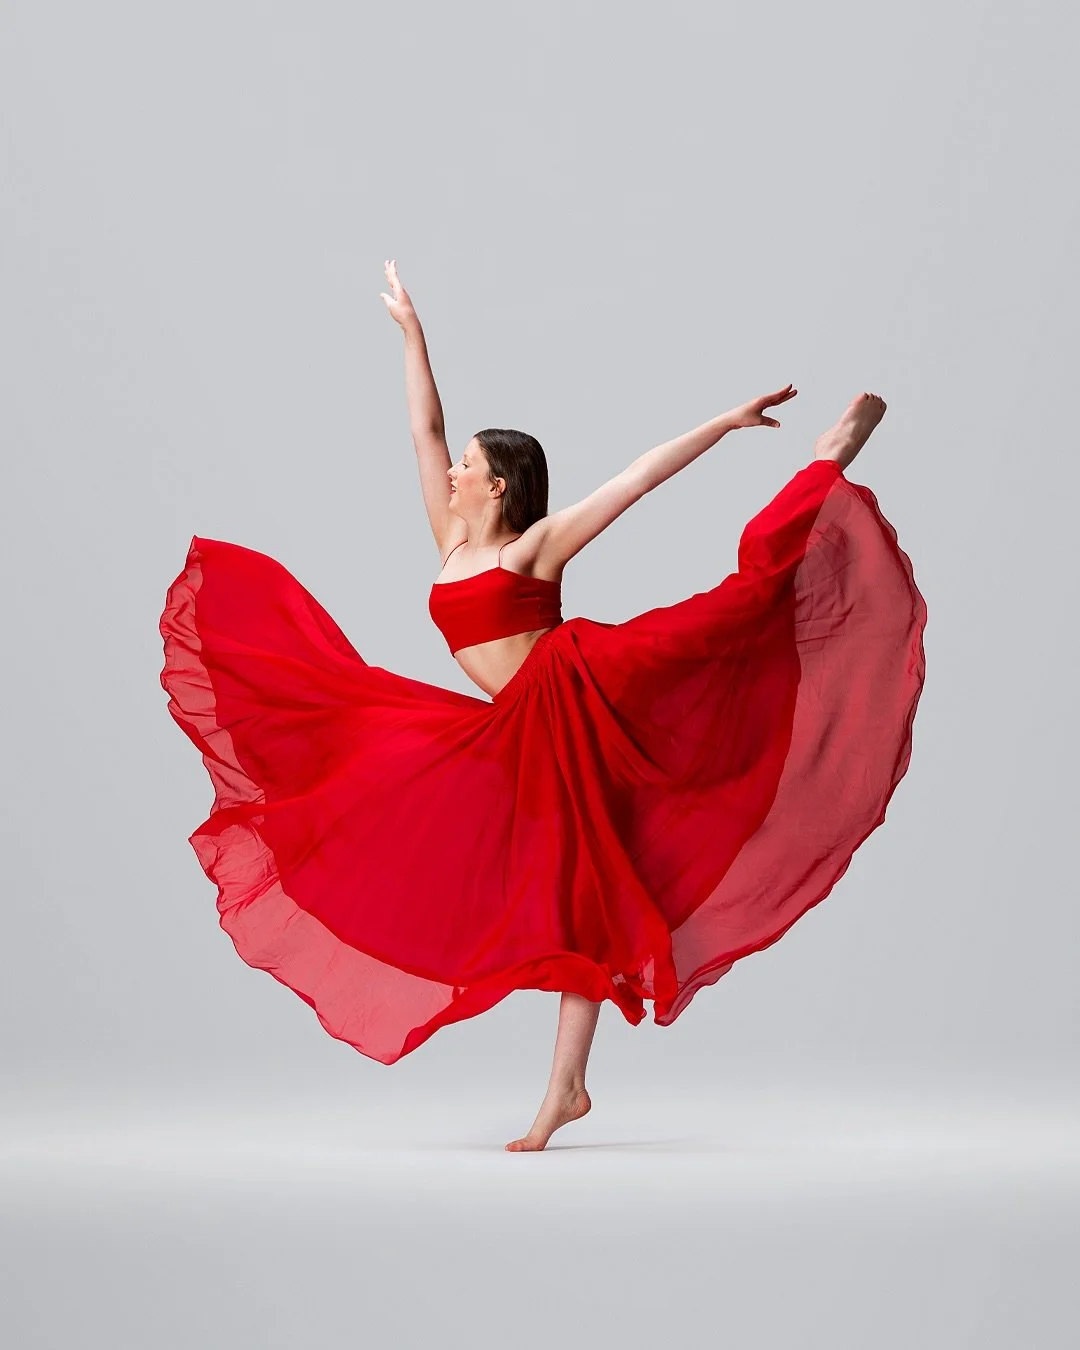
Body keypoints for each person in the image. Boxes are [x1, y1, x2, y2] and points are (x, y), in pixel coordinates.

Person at [158, 260, 927, 1153]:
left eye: (468, 467)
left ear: (499, 487)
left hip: (584, 689)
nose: (452, 472)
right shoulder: (451, 541)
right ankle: (568, 1089)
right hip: (523, 727)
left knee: (734, 614)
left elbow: (635, 480)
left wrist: (722, 423)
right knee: (559, 882)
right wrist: (413, 334)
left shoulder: (533, 549)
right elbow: (424, 428)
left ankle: (828, 458)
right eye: (456, 465)